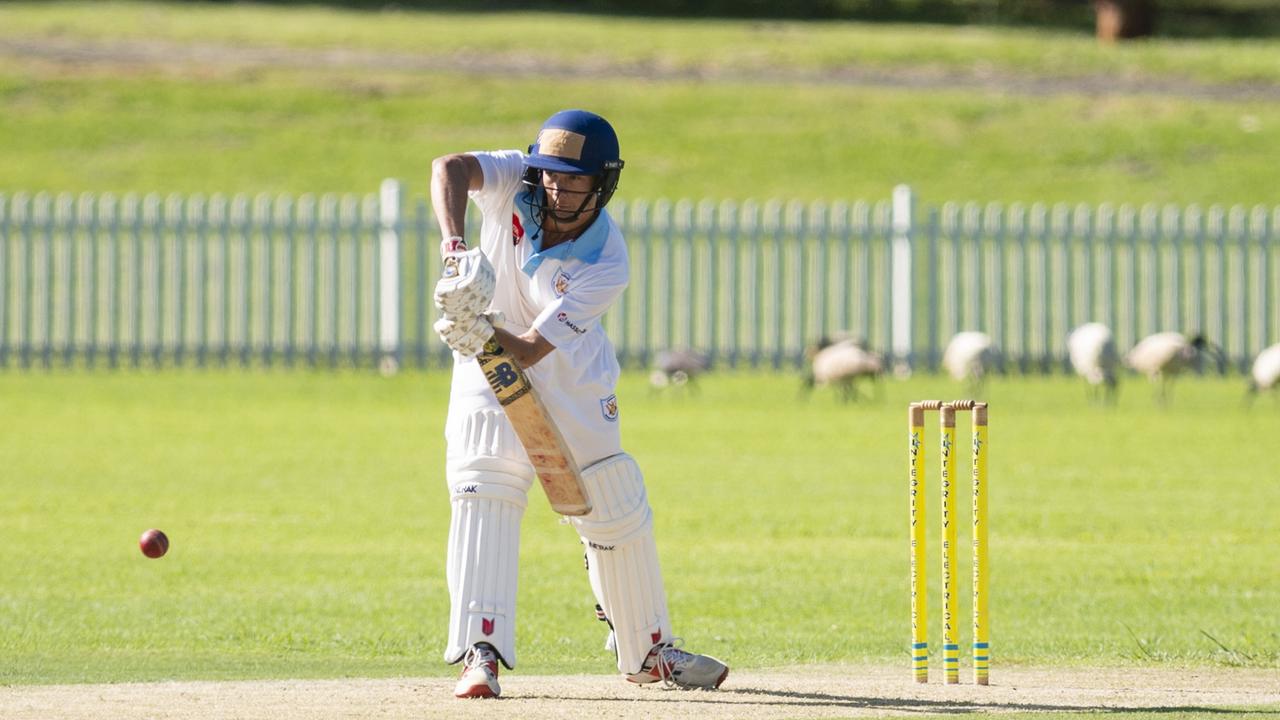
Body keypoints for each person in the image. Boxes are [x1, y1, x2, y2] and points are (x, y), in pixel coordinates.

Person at [429, 109, 730, 699]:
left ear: (602, 183)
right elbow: (451, 167)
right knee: (484, 483)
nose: (556, 188)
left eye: (573, 179)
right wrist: (455, 249)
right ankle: (479, 651)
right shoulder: (519, 178)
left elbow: (532, 349)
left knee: (612, 502)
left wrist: (476, 321)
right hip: (482, 362)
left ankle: (648, 651)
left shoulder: (607, 259)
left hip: (568, 373)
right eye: (549, 175)